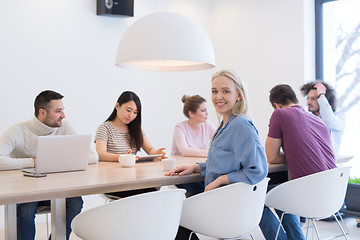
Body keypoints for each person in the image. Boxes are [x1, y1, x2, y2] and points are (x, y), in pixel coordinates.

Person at [166, 70, 268, 240]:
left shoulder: (241, 125)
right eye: (214, 91)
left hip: (226, 206)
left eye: (225, 91)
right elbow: (228, 163)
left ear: (238, 96)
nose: (218, 96)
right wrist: (197, 167)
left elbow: (258, 170)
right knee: (175, 213)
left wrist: (221, 180)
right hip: (220, 200)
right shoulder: (225, 125)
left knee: (171, 215)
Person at [0, 90, 98, 240]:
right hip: (26, 191)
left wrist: (57, 160)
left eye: (62, 110)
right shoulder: (19, 131)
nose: (63, 115)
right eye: (58, 111)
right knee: (26, 209)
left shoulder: (65, 127)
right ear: (42, 112)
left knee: (75, 201)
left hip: (55, 189)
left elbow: (93, 157)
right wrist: (32, 162)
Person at [259, 84, 336, 240]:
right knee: (281, 191)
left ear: (276, 106)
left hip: (309, 196)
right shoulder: (317, 120)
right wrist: (296, 154)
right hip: (333, 195)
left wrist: (291, 154)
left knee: (255, 197)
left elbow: (271, 157)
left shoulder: (280, 114)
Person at [95, 91, 166, 197]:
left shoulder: (135, 129)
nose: (131, 115)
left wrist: (156, 153)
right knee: (146, 196)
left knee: (152, 193)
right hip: (113, 181)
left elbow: (150, 149)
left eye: (135, 112)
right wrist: (122, 157)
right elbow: (100, 154)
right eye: (128, 110)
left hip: (134, 179)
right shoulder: (105, 128)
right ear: (117, 106)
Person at [300, 81, 345, 154]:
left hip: (332, 162)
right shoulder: (309, 118)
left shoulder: (339, 117)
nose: (308, 102)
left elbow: (328, 122)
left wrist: (321, 95)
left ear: (324, 100)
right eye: (308, 98)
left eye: (313, 99)